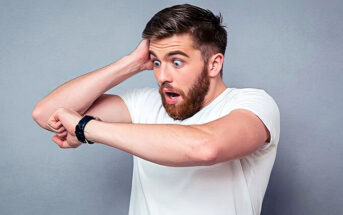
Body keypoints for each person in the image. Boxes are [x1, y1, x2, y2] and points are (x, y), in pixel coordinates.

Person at [32, 4, 280, 215]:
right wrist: (132, 63)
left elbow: (206, 147)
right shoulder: (144, 103)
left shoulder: (253, 104)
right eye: (157, 62)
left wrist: (86, 128)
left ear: (213, 64)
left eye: (177, 62)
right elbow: (47, 114)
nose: (162, 76)